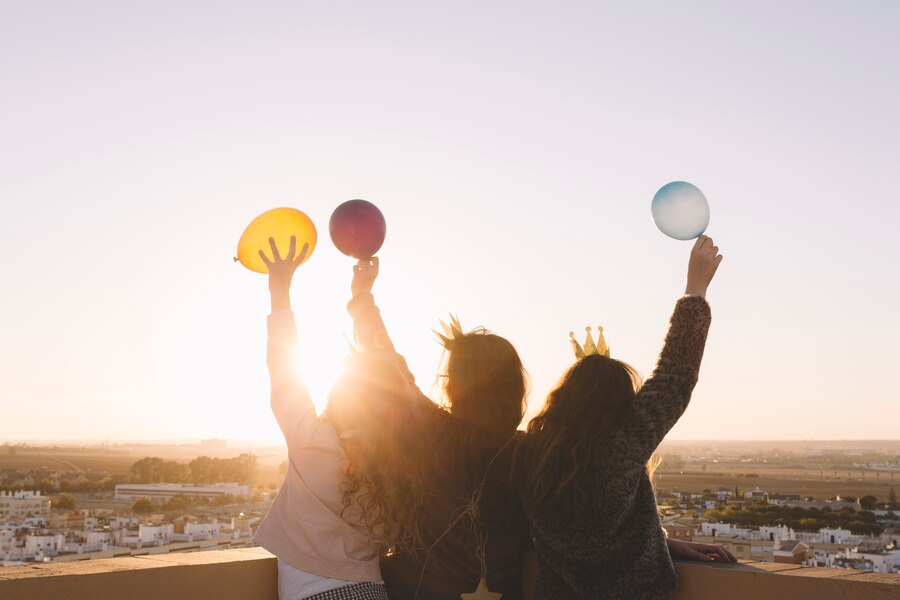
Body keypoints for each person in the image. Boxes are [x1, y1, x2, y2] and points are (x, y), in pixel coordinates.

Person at [514, 235, 728, 600]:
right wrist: (695, 287)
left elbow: (583, 538)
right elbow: (675, 375)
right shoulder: (622, 446)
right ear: (622, 406)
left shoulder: (529, 455)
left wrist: (662, 542)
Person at [346, 257, 531, 600]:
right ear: (516, 388)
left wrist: (362, 300)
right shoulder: (532, 453)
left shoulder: (429, 428)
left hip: (416, 589)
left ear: (453, 385)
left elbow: (388, 364)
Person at [253, 237, 422, 600]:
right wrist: (362, 299)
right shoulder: (399, 461)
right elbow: (395, 381)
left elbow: (284, 370)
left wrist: (279, 289)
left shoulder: (311, 439)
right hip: (374, 591)